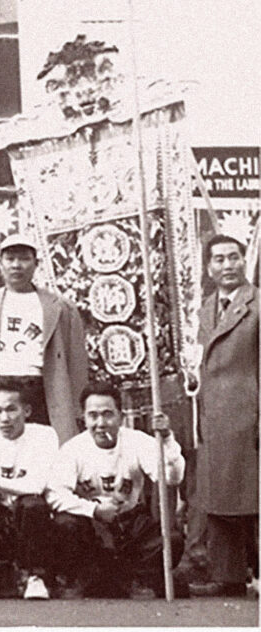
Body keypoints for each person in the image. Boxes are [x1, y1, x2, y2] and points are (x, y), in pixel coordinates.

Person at [47, 381, 185, 599]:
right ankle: (83, 577)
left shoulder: (138, 442)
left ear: (120, 416)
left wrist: (166, 438)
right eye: (93, 415)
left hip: (128, 526)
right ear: (83, 417)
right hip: (90, 527)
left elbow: (171, 476)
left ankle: (135, 579)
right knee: (64, 525)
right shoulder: (72, 449)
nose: (100, 423)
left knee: (171, 539)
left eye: (107, 414)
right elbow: (55, 495)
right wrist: (94, 510)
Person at [0, 233, 88, 444]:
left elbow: (76, 361)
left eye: (23, 258)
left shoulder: (60, 307)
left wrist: (79, 408)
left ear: (35, 263)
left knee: (45, 448)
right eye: (10, 259)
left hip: (41, 388)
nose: (16, 265)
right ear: (0, 263)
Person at [189, 234, 259, 597]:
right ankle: (228, 575)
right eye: (219, 259)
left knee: (255, 498)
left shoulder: (258, 305)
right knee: (218, 499)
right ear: (208, 267)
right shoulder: (205, 308)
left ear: (244, 262)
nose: (227, 265)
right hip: (213, 417)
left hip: (250, 414)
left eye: (234, 258)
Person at [0, 379, 58, 599]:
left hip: (30, 519)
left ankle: (36, 576)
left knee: (32, 503)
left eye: (11, 410)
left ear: (26, 410)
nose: (4, 419)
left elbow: (37, 485)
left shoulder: (44, 436)